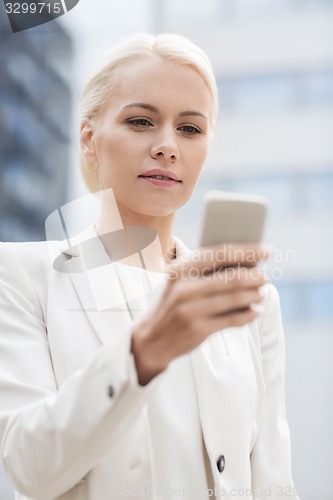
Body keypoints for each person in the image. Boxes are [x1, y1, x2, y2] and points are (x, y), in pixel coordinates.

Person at [0, 33, 299, 500]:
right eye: (141, 121)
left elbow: (275, 482)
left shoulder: (250, 302)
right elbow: (27, 466)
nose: (167, 146)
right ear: (89, 139)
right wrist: (146, 350)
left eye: (190, 128)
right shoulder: (18, 275)